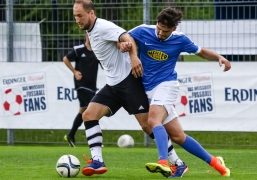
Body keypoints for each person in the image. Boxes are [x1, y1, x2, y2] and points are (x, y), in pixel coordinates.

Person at [73, 0, 188, 177]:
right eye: (75, 16)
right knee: (88, 115)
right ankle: (97, 161)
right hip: (113, 85)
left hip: (129, 82)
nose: (77, 20)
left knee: (147, 125)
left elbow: (127, 37)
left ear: (91, 14)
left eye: (80, 16)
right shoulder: (91, 31)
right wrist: (121, 46)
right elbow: (120, 43)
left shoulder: (103, 26)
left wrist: (133, 57)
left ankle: (177, 163)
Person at [120, 7, 231, 178]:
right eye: (158, 28)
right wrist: (123, 44)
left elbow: (201, 52)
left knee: (152, 120)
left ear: (174, 29)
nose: (160, 33)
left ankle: (164, 162)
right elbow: (120, 37)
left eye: (164, 31)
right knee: (178, 136)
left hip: (167, 85)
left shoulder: (180, 40)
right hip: (148, 89)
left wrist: (219, 57)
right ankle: (215, 162)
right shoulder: (143, 31)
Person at [63, 33, 99, 147]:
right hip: (81, 85)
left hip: (92, 86)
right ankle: (95, 139)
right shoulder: (79, 49)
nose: (91, 37)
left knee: (83, 111)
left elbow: (104, 65)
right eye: (89, 35)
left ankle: (71, 135)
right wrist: (75, 71)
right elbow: (66, 59)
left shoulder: (97, 51)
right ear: (86, 36)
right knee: (94, 109)